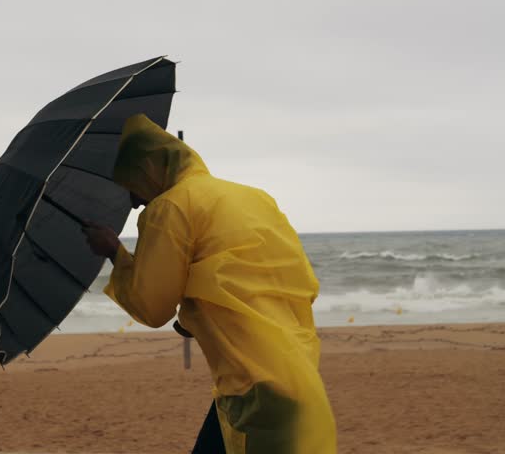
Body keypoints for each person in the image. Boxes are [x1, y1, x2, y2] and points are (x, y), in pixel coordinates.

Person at [82, 114, 337, 454]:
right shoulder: (256, 199)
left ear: (149, 169)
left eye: (131, 184)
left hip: (255, 394)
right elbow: (278, 282)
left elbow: (151, 307)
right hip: (297, 377)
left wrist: (115, 252)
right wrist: (198, 314)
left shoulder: (170, 206)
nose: (133, 200)